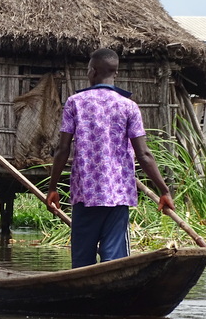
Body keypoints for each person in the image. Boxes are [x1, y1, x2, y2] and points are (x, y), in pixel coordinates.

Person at [46, 48, 175, 268]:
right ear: (114, 73)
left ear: (93, 71)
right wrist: (164, 190)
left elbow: (62, 149)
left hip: (85, 193)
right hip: (117, 194)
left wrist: (52, 187)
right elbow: (144, 154)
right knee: (114, 261)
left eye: (88, 69)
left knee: (82, 262)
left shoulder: (75, 102)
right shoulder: (129, 106)